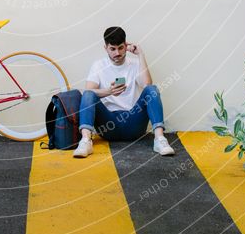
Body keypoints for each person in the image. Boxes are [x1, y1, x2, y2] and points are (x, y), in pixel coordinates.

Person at [73, 26, 175, 158]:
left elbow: (147, 85)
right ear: (106, 48)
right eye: (112, 49)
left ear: (126, 45)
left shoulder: (134, 63)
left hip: (134, 123)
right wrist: (108, 91)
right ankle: (86, 141)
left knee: (152, 89)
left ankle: (160, 140)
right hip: (108, 125)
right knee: (88, 94)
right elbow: (89, 92)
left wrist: (141, 55)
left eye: (121, 48)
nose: (117, 53)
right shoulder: (99, 65)